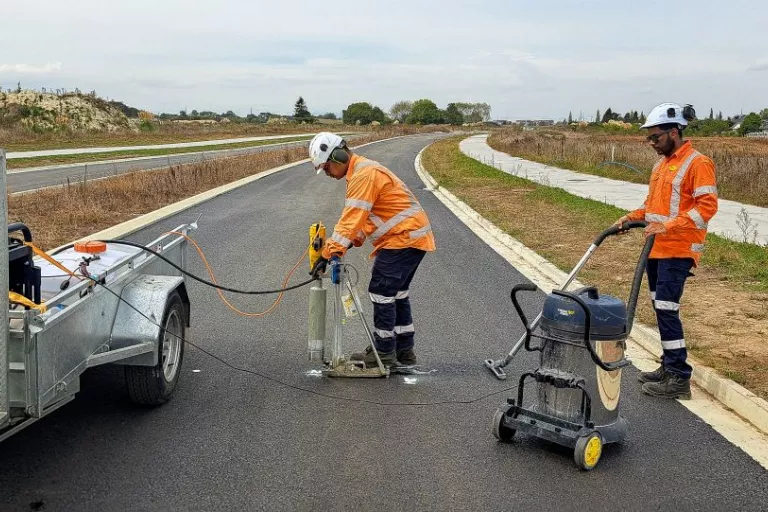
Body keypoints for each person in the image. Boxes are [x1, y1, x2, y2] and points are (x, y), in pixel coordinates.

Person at [615, 103, 718, 399]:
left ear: (674, 132)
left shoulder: (698, 163)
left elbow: (707, 207)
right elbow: (653, 208)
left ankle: (679, 377)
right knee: (660, 308)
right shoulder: (660, 165)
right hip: (657, 249)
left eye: (656, 137)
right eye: (649, 138)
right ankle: (668, 364)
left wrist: (670, 226)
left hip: (679, 248)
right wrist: (630, 218)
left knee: (667, 308)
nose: (652, 143)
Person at [308, 132, 436, 367]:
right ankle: (403, 350)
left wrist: (328, 253)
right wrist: (344, 245)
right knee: (397, 294)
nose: (327, 174)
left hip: (403, 238)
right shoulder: (361, 172)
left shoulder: (363, 175)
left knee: (381, 292)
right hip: (410, 237)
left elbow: (350, 219)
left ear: (337, 156)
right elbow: (362, 222)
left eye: (326, 168)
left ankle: (384, 352)